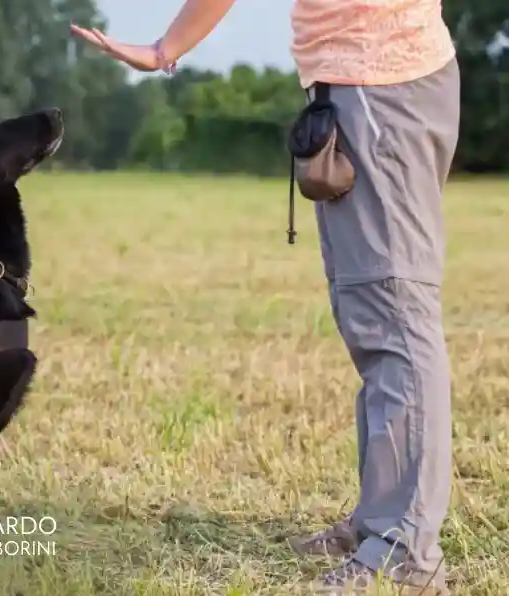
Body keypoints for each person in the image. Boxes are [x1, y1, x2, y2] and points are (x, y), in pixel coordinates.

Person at [71, 1, 459, 594]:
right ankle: (380, 521)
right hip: (369, 82)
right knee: (372, 315)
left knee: (395, 316)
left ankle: (405, 551)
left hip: (381, 85)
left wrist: (164, 49)